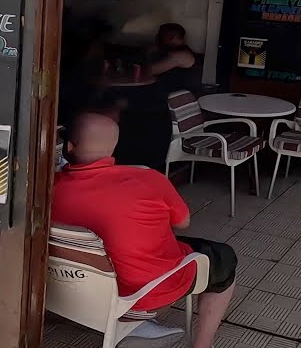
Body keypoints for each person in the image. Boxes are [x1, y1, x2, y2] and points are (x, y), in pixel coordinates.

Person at [53, 113, 237, 348]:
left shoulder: (47, 187)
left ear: (68, 146)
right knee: (223, 258)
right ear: (113, 147)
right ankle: (201, 345)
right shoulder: (148, 179)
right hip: (140, 296)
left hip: (75, 291)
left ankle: (138, 329)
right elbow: (182, 223)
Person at [147, 23, 199, 96]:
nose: (157, 37)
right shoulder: (171, 51)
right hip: (168, 95)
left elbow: (149, 71)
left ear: (171, 37)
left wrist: (149, 52)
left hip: (179, 101)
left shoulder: (182, 55)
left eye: (161, 36)